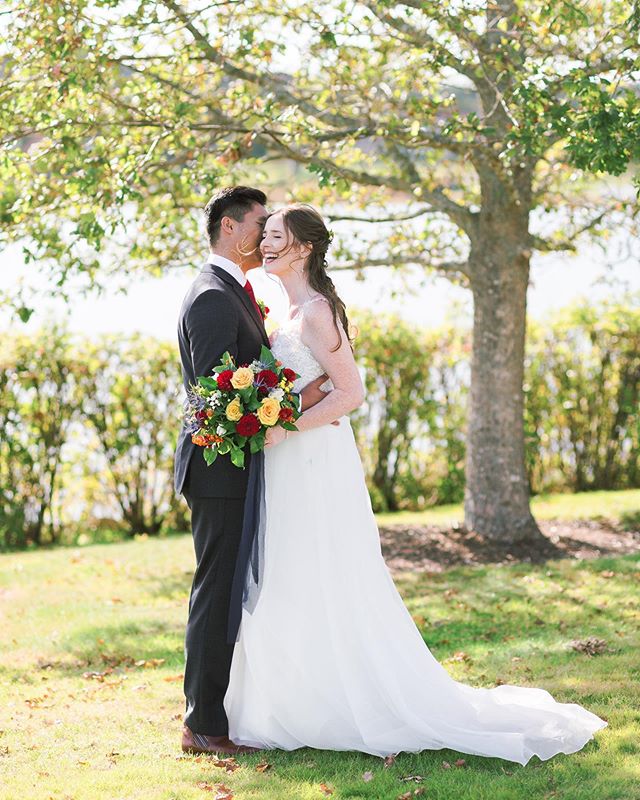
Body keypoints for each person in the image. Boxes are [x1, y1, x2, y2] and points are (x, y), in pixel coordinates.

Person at [222, 203, 607, 765]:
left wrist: (283, 429)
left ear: (303, 248)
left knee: (321, 570)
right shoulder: (288, 309)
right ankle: (288, 697)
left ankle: (332, 700)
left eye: (276, 237)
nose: (267, 245)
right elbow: (314, 383)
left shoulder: (317, 313)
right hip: (288, 461)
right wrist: (275, 418)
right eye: (266, 237)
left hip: (312, 460)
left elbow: (350, 394)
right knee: (286, 570)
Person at [175, 188, 328, 755]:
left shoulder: (232, 290)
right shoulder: (212, 297)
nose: (265, 235)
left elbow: (246, 381)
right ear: (231, 228)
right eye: (260, 224)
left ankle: (216, 712)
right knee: (216, 591)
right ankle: (204, 724)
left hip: (235, 466)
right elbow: (216, 396)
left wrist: (297, 396)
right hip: (218, 471)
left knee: (227, 590)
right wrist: (291, 408)